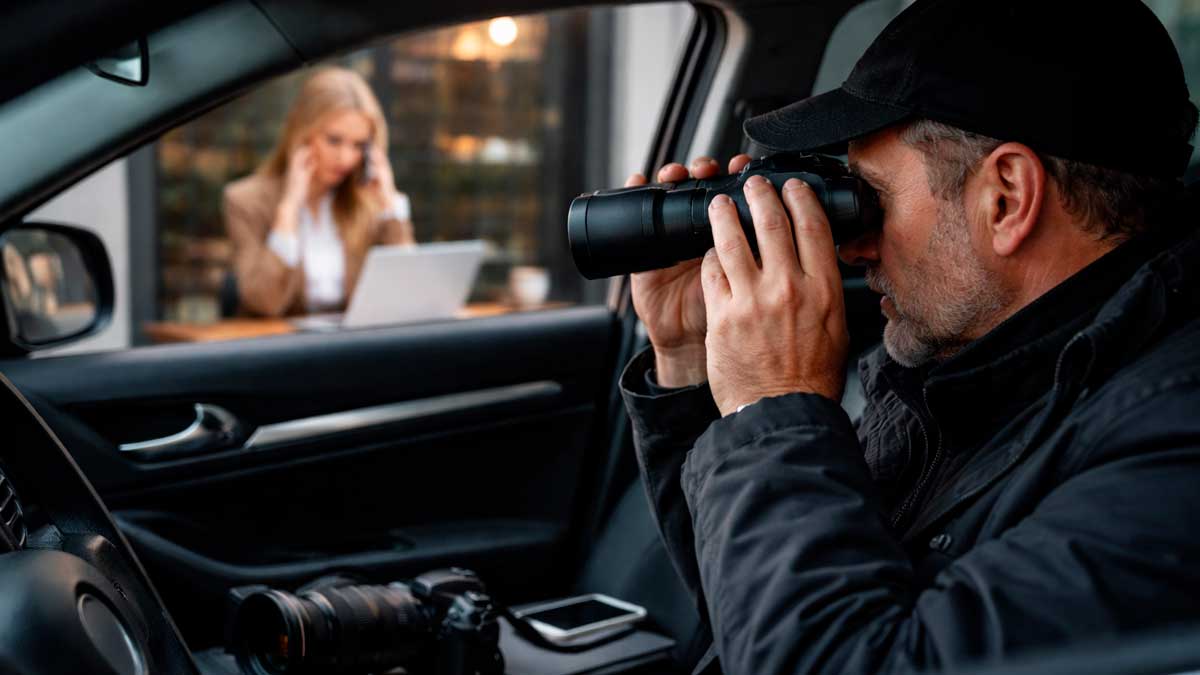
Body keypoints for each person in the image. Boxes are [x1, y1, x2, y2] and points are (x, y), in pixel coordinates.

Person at [621, 1, 1200, 673]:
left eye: (871, 198)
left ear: (1006, 197)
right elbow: (759, 603)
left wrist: (770, 409)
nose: (854, 247)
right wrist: (694, 365)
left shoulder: (1172, 446)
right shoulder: (964, 364)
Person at [224, 67, 415, 317]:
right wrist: (289, 209)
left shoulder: (366, 204)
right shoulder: (246, 201)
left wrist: (390, 206)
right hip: (280, 350)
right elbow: (263, 302)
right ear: (302, 133)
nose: (346, 158)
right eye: (334, 140)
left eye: (358, 145)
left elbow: (408, 293)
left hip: (351, 348)